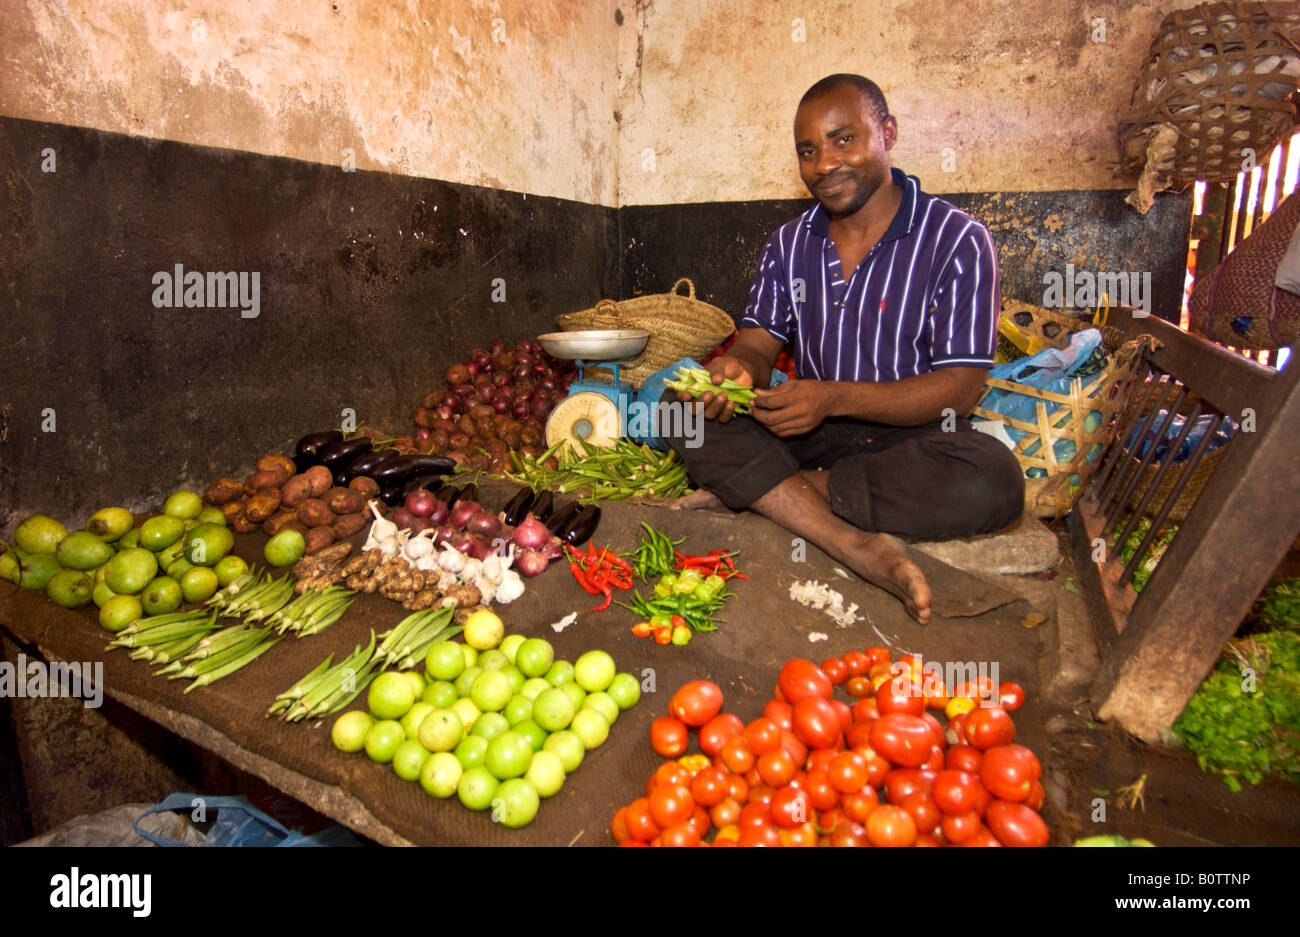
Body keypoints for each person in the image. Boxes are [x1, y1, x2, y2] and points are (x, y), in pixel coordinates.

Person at [662, 74, 1025, 624]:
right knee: (680, 406)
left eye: (843, 140)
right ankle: (854, 544)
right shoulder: (789, 244)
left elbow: (959, 390)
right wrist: (739, 366)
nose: (825, 164)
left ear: (888, 133)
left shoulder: (957, 239)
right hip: (809, 431)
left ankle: (772, 493)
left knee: (992, 477)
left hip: (912, 439)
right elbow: (760, 341)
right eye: (808, 151)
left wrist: (832, 397)